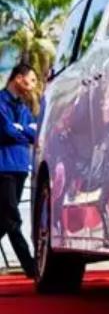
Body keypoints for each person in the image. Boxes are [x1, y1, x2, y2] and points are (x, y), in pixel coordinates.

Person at [0, 63, 39, 277]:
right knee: (13, 218)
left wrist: (20, 130)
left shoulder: (24, 107)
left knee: (4, 220)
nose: (33, 85)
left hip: (21, 166)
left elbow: (35, 133)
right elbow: (6, 131)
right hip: (4, 167)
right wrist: (23, 131)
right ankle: (31, 267)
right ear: (18, 78)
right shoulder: (0, 102)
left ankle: (30, 266)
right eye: (30, 80)